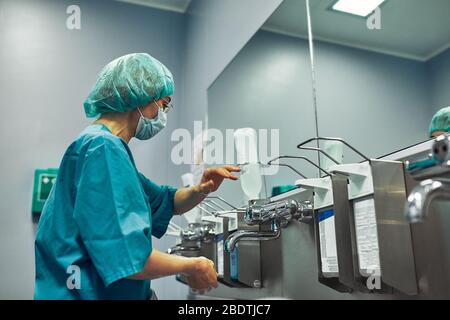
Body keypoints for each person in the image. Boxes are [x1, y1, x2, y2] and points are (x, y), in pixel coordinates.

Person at [34, 53, 240, 300]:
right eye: (163, 105)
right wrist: (193, 265)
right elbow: (130, 260)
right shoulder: (103, 149)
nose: (163, 115)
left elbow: (167, 201)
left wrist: (202, 188)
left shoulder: (104, 148)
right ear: (141, 97)